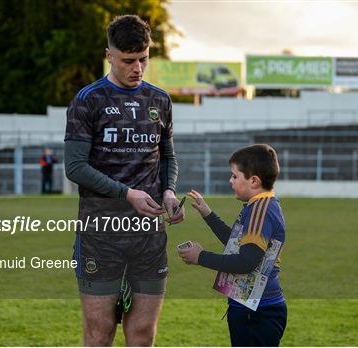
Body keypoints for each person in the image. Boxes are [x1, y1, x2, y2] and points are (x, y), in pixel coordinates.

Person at [63, 15, 184, 346]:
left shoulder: (160, 101)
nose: (138, 68)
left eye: (143, 59)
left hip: (148, 236)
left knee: (143, 334)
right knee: (100, 334)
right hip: (100, 235)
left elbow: (168, 157)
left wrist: (169, 192)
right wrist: (127, 193)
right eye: (129, 60)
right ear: (109, 55)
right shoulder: (88, 100)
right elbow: (74, 167)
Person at [179, 144, 287, 347]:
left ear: (254, 181)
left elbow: (246, 262)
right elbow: (237, 244)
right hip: (252, 307)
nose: (230, 181)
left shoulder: (260, 211)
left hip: (257, 311)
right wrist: (208, 215)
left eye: (235, 176)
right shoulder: (260, 206)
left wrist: (201, 257)